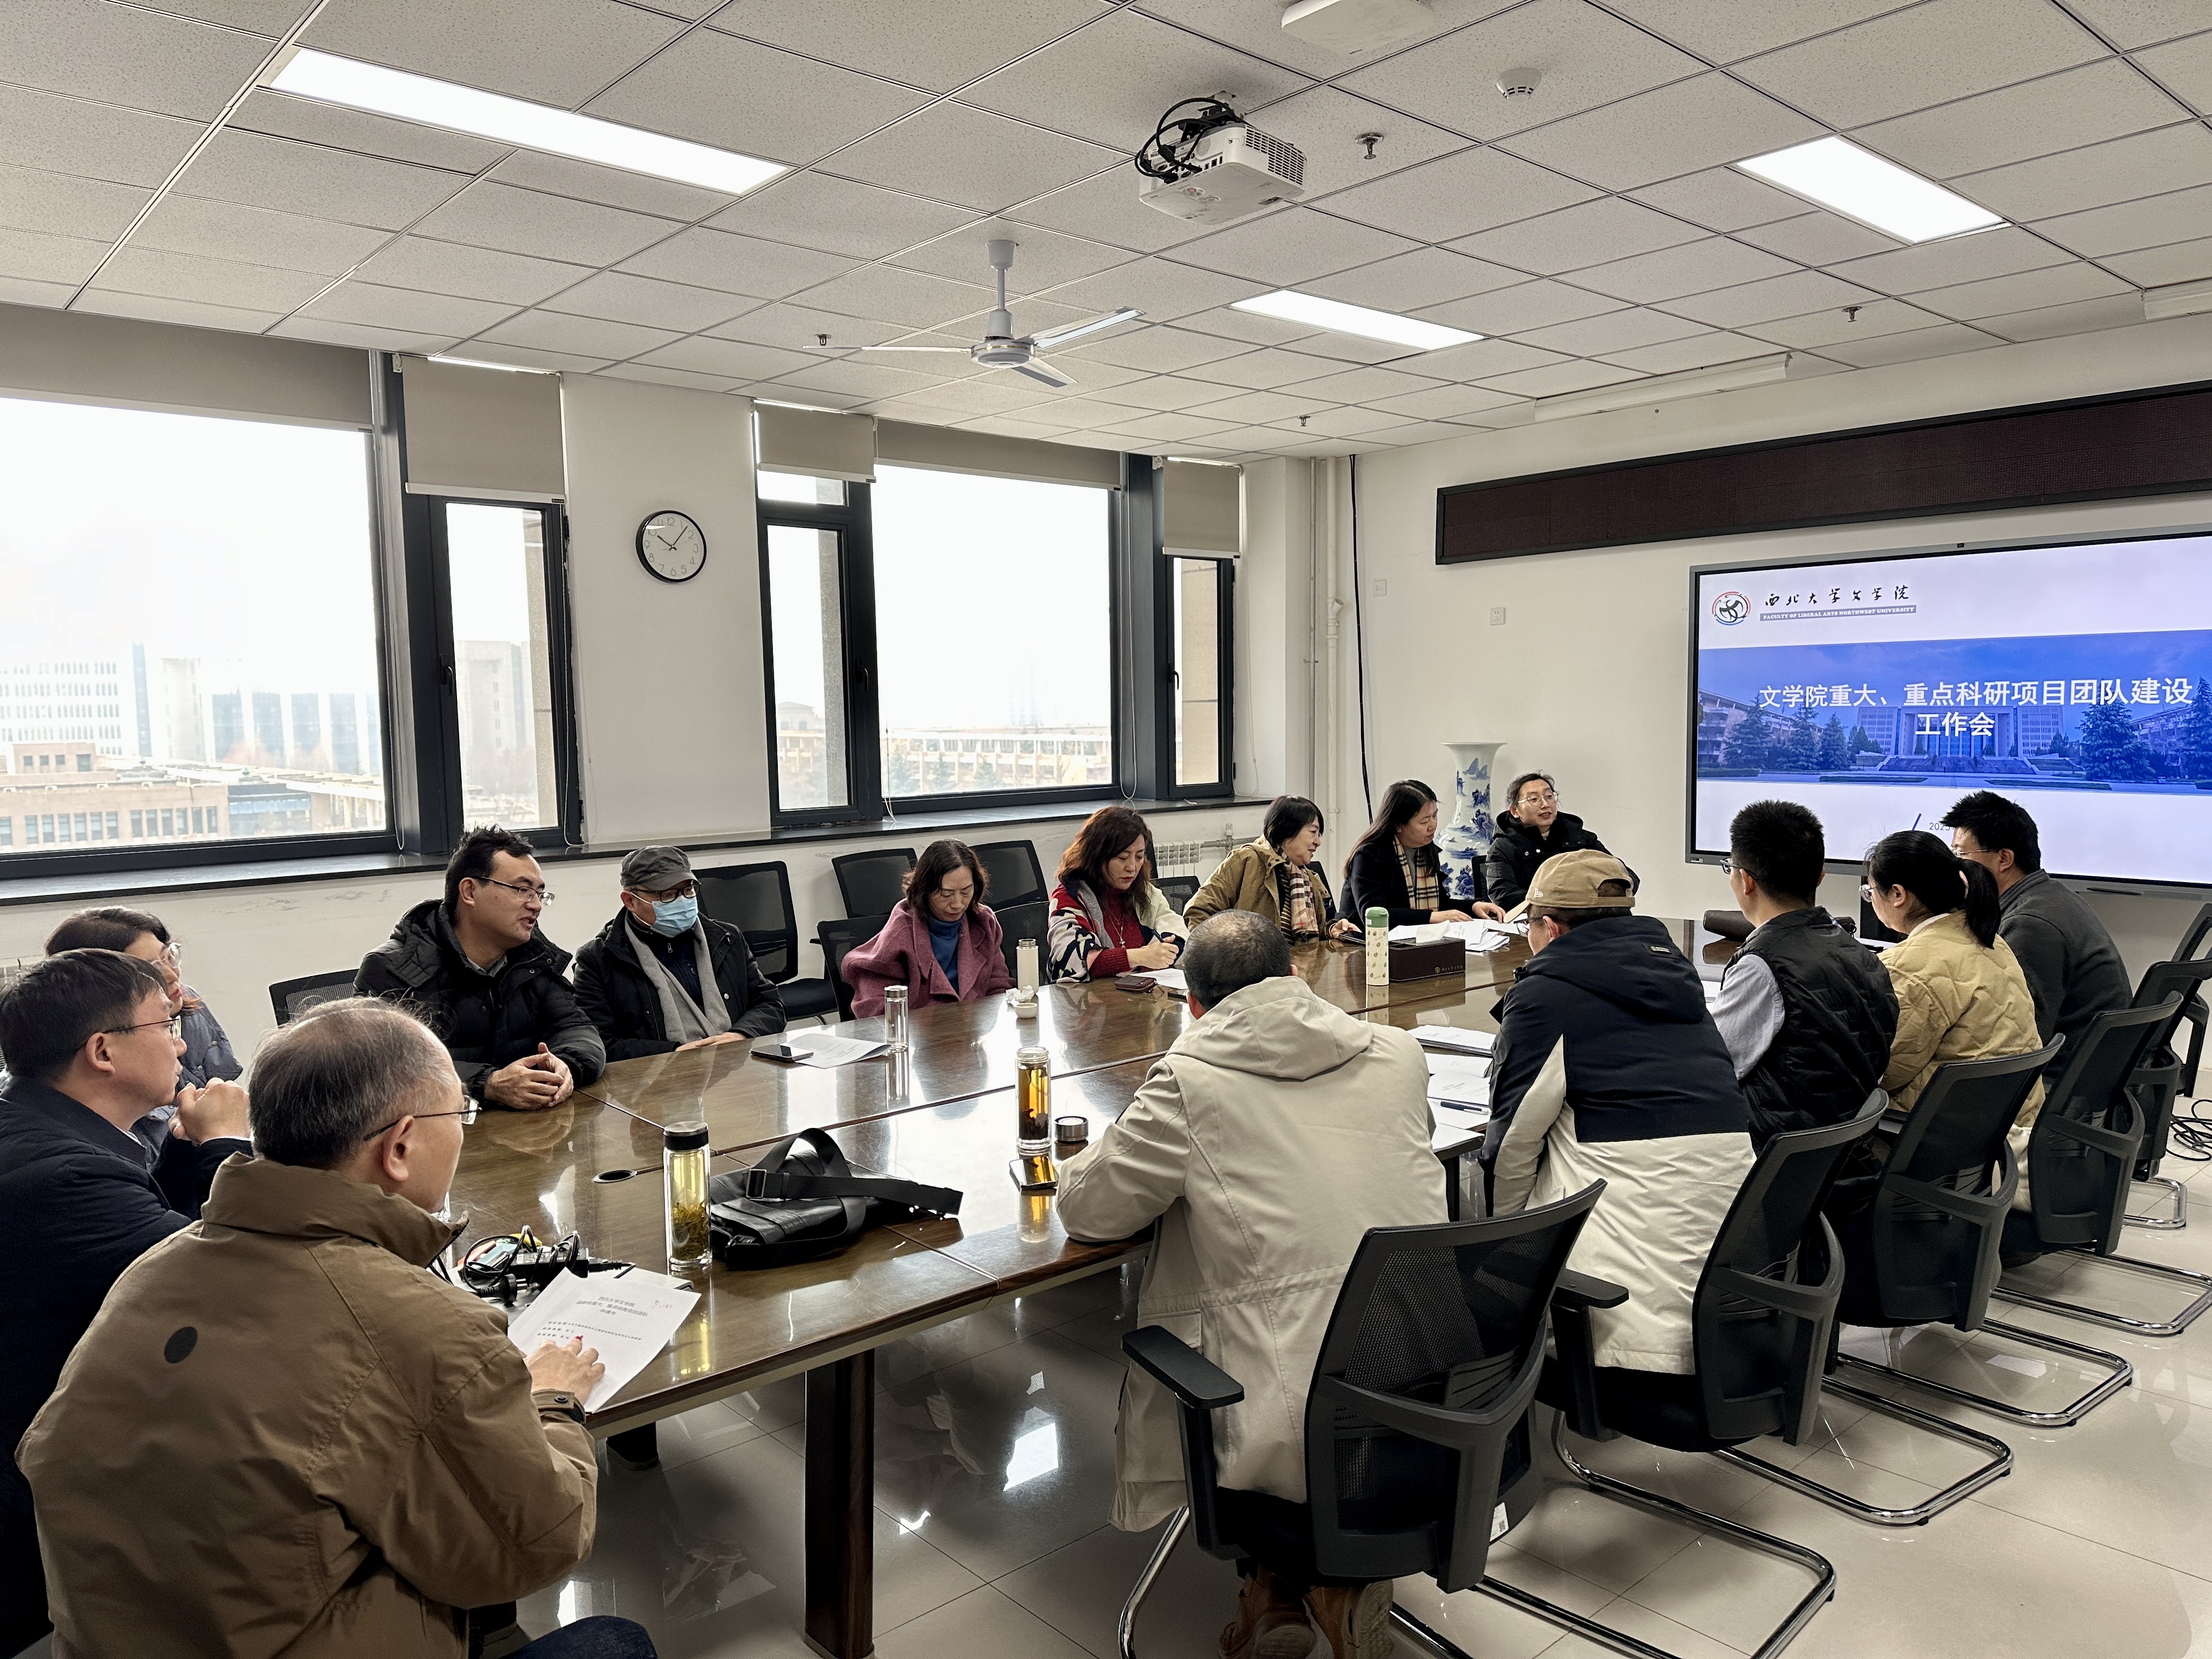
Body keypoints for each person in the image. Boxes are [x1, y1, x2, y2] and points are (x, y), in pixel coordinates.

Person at [17, 997, 656, 1659]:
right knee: (616, 1641)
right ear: (400, 1146)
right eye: (459, 1114)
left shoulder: (150, 1273)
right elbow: (538, 1545)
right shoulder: (422, 1326)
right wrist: (553, 1402)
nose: (463, 1130)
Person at [1058, 911, 1445, 1659]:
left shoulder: (1190, 1080)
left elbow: (1093, 1212)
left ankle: (1286, 1582)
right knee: (1256, 1259)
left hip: (1291, 1423)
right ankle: (1291, 1586)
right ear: (1296, 978)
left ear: (1195, 1006)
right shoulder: (1399, 1053)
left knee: (1222, 1271)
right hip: (1433, 1389)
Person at [0, 949, 252, 1656]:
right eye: (165, 1024)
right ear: (103, 1051)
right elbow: (234, 1281)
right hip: (46, 1519)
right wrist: (226, 1147)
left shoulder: (41, 1128)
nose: (182, 1044)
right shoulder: (60, 1177)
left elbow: (139, 1236)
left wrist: (185, 1154)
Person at [1481, 850, 1752, 1376]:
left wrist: (1506, 1253)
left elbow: (1511, 1146)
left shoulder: (1546, 995)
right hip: (1736, 1307)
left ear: (1550, 929)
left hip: (1630, 1333)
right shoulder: (1677, 977)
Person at [357, 825, 604, 1108]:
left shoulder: (535, 960)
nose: (536, 905)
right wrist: (487, 1084)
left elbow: (578, 1029)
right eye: (523, 890)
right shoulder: (391, 969)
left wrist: (566, 1065)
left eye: (540, 894)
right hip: (436, 1127)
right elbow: (384, 1066)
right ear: (470, 891)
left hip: (529, 1125)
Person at [1711, 801, 1897, 1148]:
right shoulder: (1863, 955)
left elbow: (1714, 1066)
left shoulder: (1762, 965)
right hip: (1837, 1152)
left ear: (1746, 881)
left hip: (1772, 1154)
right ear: (1820, 876)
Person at [1941, 791, 2131, 1082]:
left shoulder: (2029, 926)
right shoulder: (2049, 895)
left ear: (2004, 859)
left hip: (2060, 1080)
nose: (1954, 867)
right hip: (2085, 1068)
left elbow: (2020, 1037)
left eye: (1961, 854)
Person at [1863, 829, 2045, 1122]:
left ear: (1898, 895)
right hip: (2008, 1124)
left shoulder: (1909, 967)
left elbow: (1881, 1071)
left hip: (1942, 1135)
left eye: (1870, 892)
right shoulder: (1990, 938)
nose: (1870, 900)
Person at [43, 905, 242, 1153]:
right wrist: (221, 1140)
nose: (172, 974)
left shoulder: (185, 1004)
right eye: (151, 970)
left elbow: (220, 1093)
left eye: (169, 956)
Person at [574, 845, 786, 1060]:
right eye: (667, 895)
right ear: (630, 901)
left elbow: (770, 1005)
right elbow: (599, 1043)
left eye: (688, 891)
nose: (682, 901)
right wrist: (673, 1054)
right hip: (658, 1074)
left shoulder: (726, 938)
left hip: (735, 1062)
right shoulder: (598, 960)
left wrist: (740, 1035)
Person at [840, 838, 1016, 1018]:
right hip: (920, 1031)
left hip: (975, 1027)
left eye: (966, 892)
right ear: (924, 890)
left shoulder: (984, 921)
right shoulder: (901, 932)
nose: (958, 904)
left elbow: (999, 987)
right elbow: (876, 1009)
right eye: (946, 894)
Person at [1183, 796, 1359, 942]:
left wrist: (1331, 930)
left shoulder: (1307, 878)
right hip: (1248, 967)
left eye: (1319, 835)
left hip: (1298, 967)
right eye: (1313, 832)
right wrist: (1226, 955)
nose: (1318, 842)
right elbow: (1197, 912)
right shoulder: (1246, 860)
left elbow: (1314, 932)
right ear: (1288, 830)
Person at [1340, 779, 1506, 927]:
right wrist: (1431, 917)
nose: (1433, 825)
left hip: (1414, 941)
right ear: (1398, 825)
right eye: (1425, 821)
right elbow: (1374, 915)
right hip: (1366, 944)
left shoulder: (1427, 849)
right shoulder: (1369, 856)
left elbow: (1439, 905)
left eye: (1435, 816)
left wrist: (1473, 907)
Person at [1047, 806, 1186, 982]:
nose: (1132, 867)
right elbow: (1071, 961)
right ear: (1097, 856)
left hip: (1141, 994)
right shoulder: (1069, 898)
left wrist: (1168, 948)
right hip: (1090, 998)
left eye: (1139, 857)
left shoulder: (1143, 891)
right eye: (1122, 857)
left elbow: (1175, 927)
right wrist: (1139, 957)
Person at [1483, 773, 1622, 911]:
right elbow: (1504, 897)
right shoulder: (1503, 847)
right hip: (1537, 919)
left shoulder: (1578, 836)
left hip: (1588, 916)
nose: (1545, 805)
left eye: (1549, 797)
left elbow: (1624, 875)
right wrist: (1563, 903)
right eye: (1534, 799)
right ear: (1515, 811)